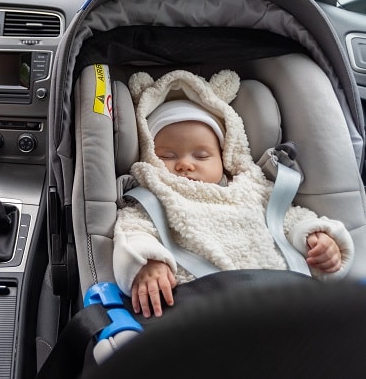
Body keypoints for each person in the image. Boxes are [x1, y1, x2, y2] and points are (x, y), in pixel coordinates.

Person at [112, 69, 354, 319]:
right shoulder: (152, 198)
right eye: (167, 156)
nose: (185, 164)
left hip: (284, 297)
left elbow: (290, 218)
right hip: (204, 308)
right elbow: (132, 232)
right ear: (150, 156)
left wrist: (316, 238)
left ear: (225, 155)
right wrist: (148, 262)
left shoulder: (252, 188)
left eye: (201, 155)